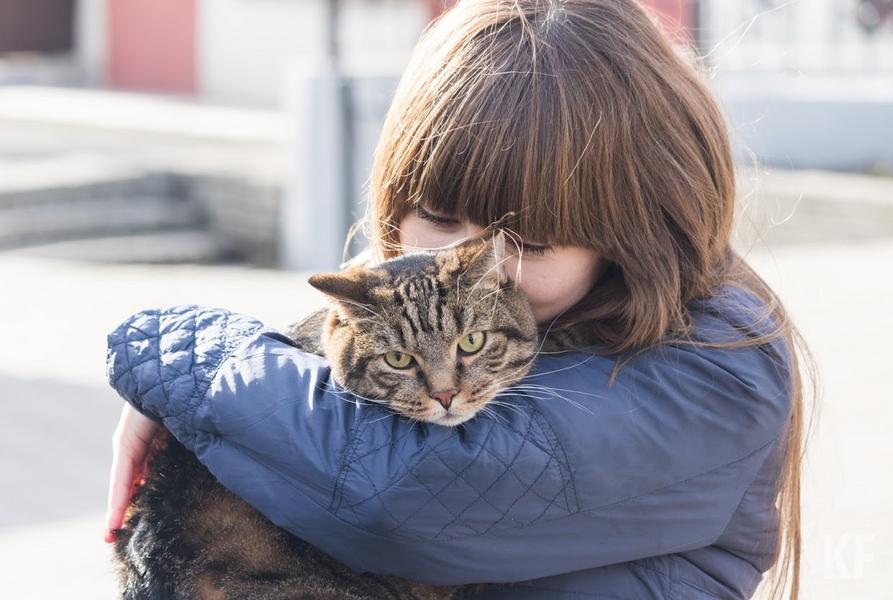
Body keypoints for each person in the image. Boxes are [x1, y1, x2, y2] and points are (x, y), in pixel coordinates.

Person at [104, 1, 816, 598]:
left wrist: (186, 368)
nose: (477, 263)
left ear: (633, 227)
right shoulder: (422, 303)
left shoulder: (721, 367)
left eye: (529, 241)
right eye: (440, 216)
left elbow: (411, 491)